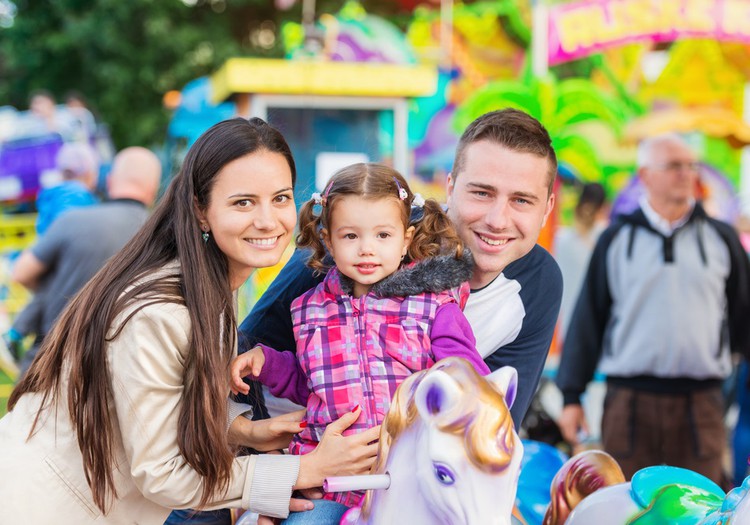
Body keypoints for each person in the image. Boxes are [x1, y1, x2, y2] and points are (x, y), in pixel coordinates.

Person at [0, 118, 379, 524]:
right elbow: (161, 473)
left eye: (281, 198)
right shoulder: (160, 311)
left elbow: (153, 407)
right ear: (201, 210)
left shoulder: (203, 288)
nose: (269, 221)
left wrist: (244, 431)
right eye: (243, 202)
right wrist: (302, 470)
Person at [238, 107, 562, 432]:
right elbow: (245, 354)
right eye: (481, 192)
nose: (497, 220)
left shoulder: (537, 283)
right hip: (301, 451)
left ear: (547, 208)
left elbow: (495, 420)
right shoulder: (356, 251)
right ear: (450, 186)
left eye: (522, 200)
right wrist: (288, 465)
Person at [230, 163, 490, 522]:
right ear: (328, 241)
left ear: (405, 240)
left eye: (382, 235)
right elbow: (312, 384)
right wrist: (269, 363)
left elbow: (470, 382)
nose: (367, 249)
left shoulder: (434, 308)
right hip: (330, 481)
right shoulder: (309, 310)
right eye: (351, 236)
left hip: (409, 481)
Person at [556, 133, 750, 484]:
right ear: (645, 175)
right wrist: (572, 396)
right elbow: (589, 319)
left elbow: (744, 314)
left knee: (702, 510)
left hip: (701, 405)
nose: (686, 174)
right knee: (628, 507)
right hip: (629, 405)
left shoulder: (721, 238)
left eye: (691, 165)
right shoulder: (615, 239)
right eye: (674, 166)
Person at [9, 146, 161, 376]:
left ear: (108, 181)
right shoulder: (164, 238)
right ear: (155, 189)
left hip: (50, 366)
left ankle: (14, 335)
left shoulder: (72, 220)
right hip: (121, 373)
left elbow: (21, 273)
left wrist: (53, 291)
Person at [4, 141, 101, 361]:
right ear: (87, 172)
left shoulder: (52, 194)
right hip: (63, 256)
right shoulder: (77, 197)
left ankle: (16, 333)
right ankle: (15, 333)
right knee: (51, 292)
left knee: (45, 293)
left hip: (44, 252)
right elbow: (73, 228)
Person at [554, 182, 608, 341]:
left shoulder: (561, 239)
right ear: (604, 206)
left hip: (568, 327)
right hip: (601, 328)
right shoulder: (609, 239)